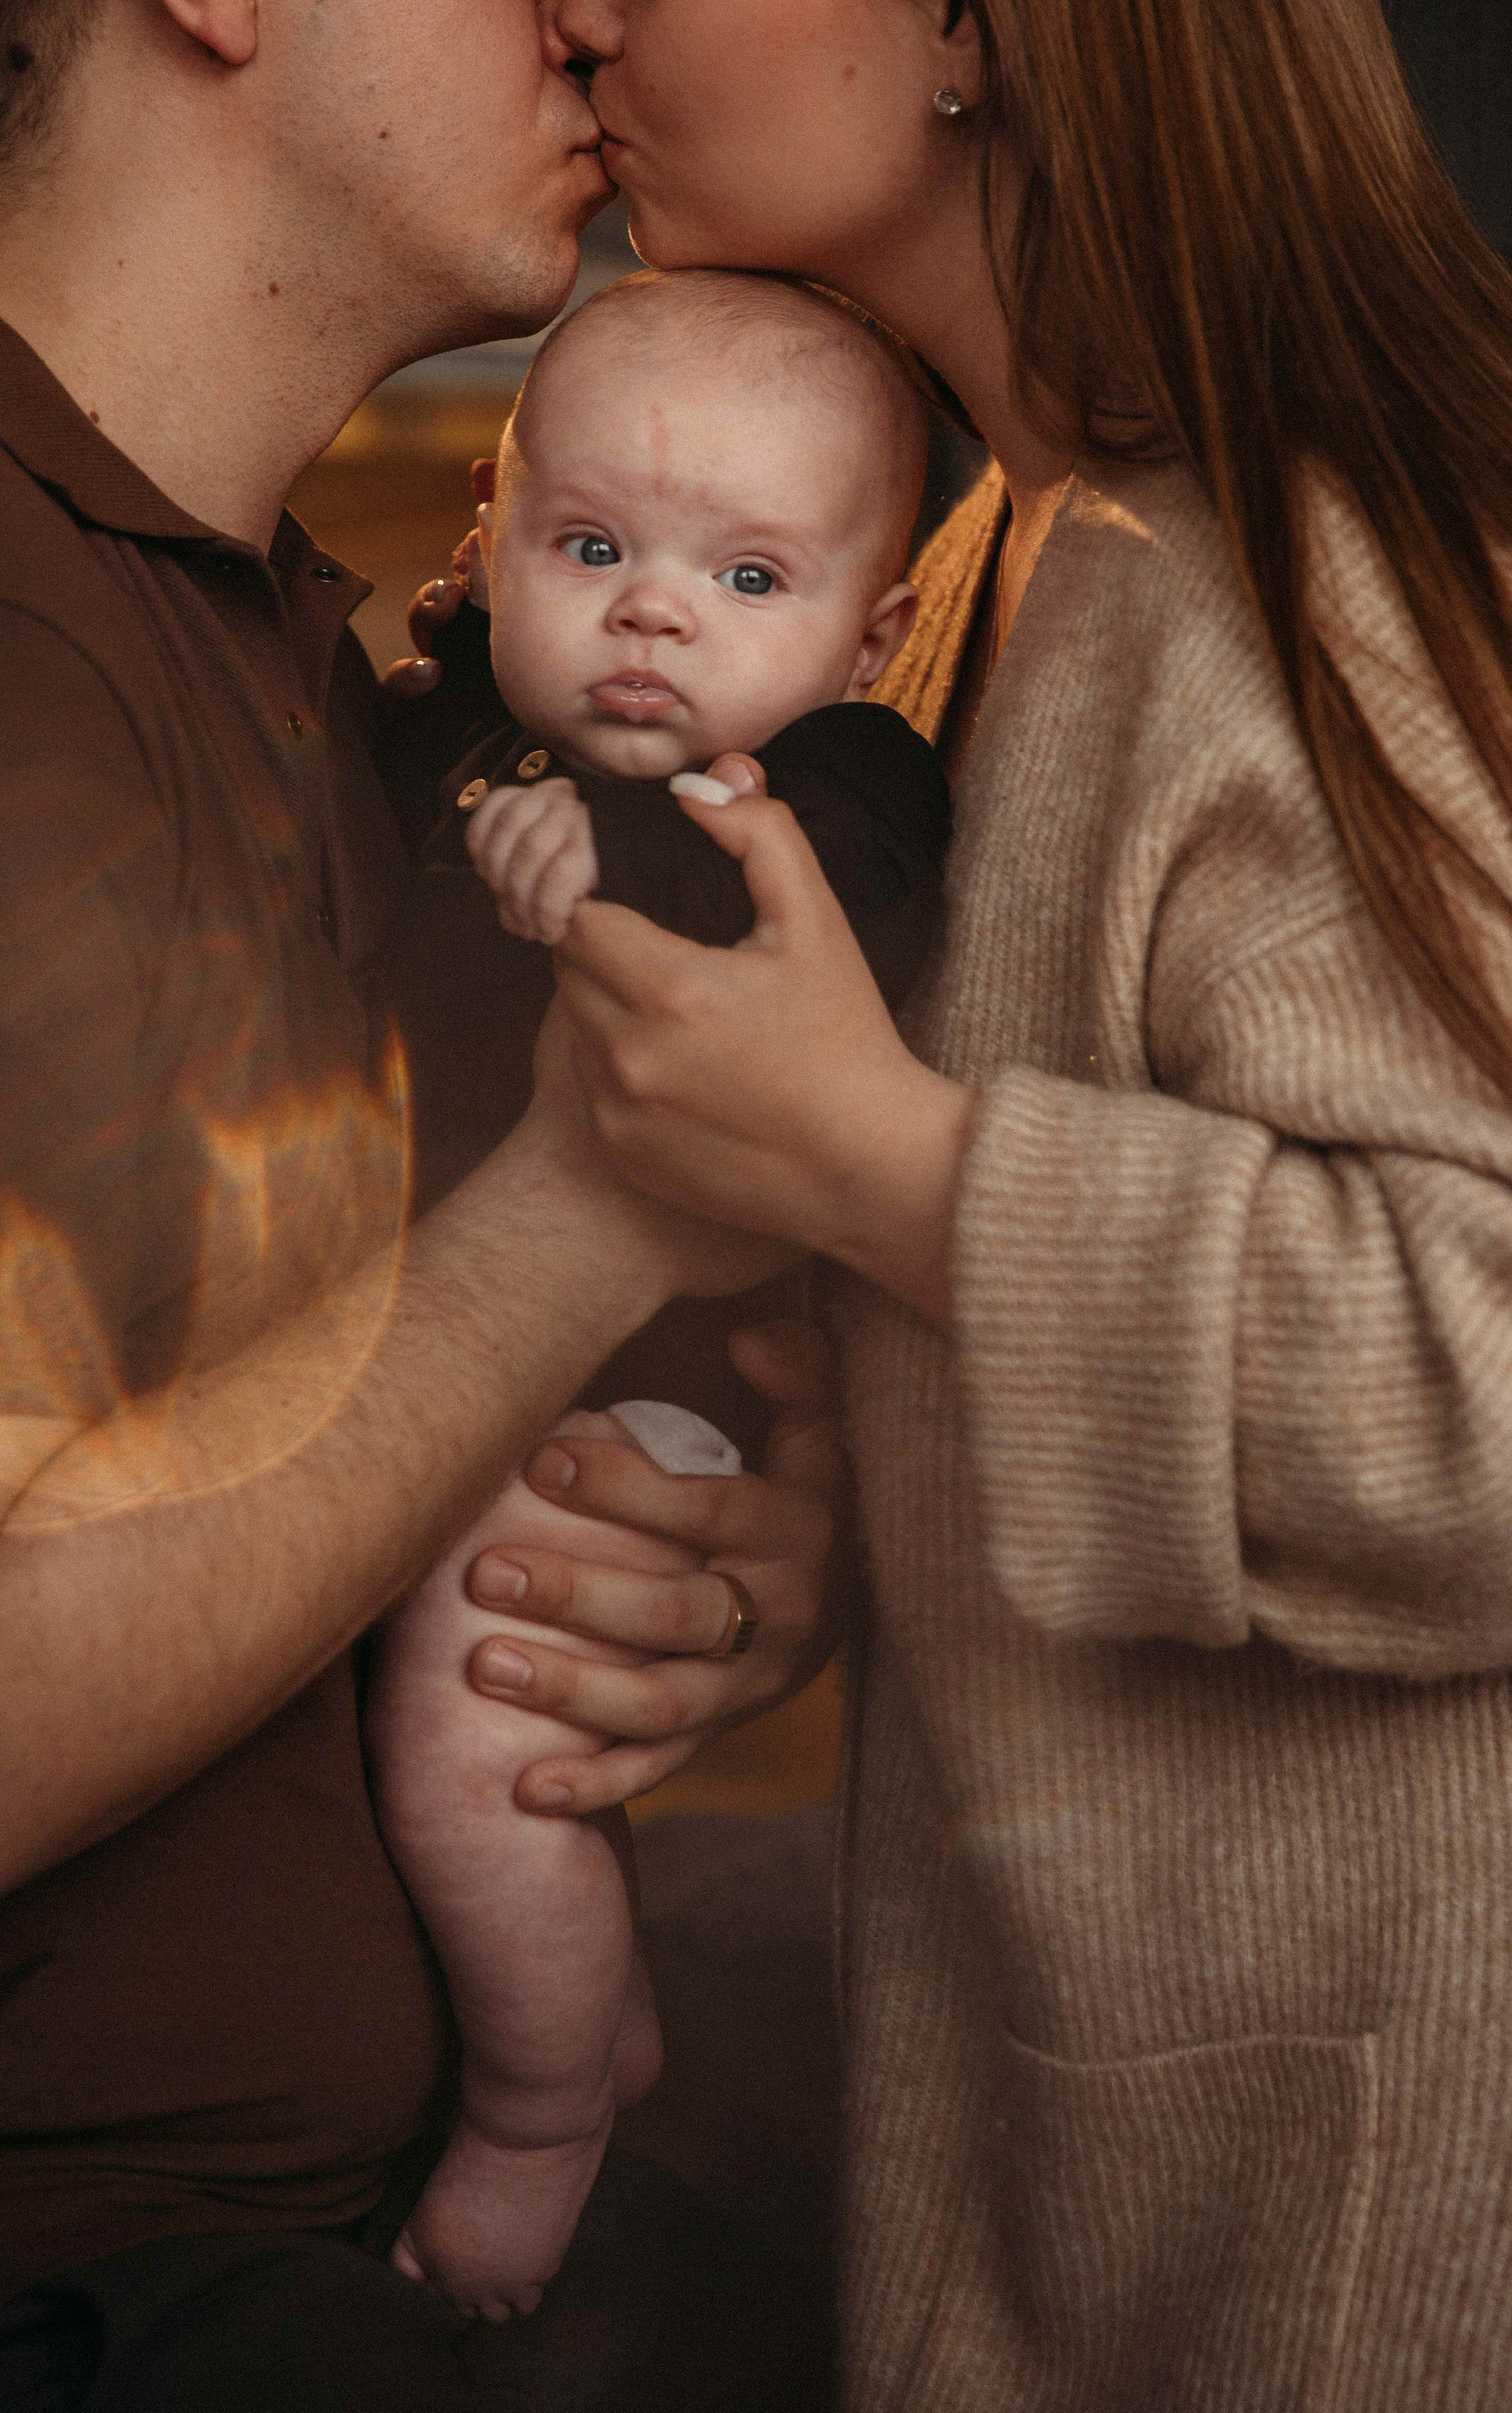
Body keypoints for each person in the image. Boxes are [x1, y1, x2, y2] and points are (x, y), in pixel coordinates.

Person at [449, 0, 1512, 2413]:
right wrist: (825, 1501)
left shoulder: (1358, 566)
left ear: (962, 4)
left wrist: (898, 1171)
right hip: (1205, 2187)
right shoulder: (1002, 566)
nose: (578, 4)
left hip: (1483, 2251)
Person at [0, 0, 838, 2412]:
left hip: (325, 2202)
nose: (585, 9)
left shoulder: (305, 640)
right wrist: (602, 1205)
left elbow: (294, 1421)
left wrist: (679, 1566)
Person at [367, 265, 947, 2325]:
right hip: (432, 1357)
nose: (651, 614)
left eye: (746, 574)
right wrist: (490, 799)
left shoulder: (840, 794)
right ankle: (574, 2009)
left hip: (634, 1405)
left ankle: (544, 2105)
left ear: (870, 635)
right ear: (491, 536)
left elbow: (765, 923)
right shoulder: (450, 739)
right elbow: (414, 774)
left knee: (469, 1719)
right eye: (590, 545)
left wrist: (587, 857)